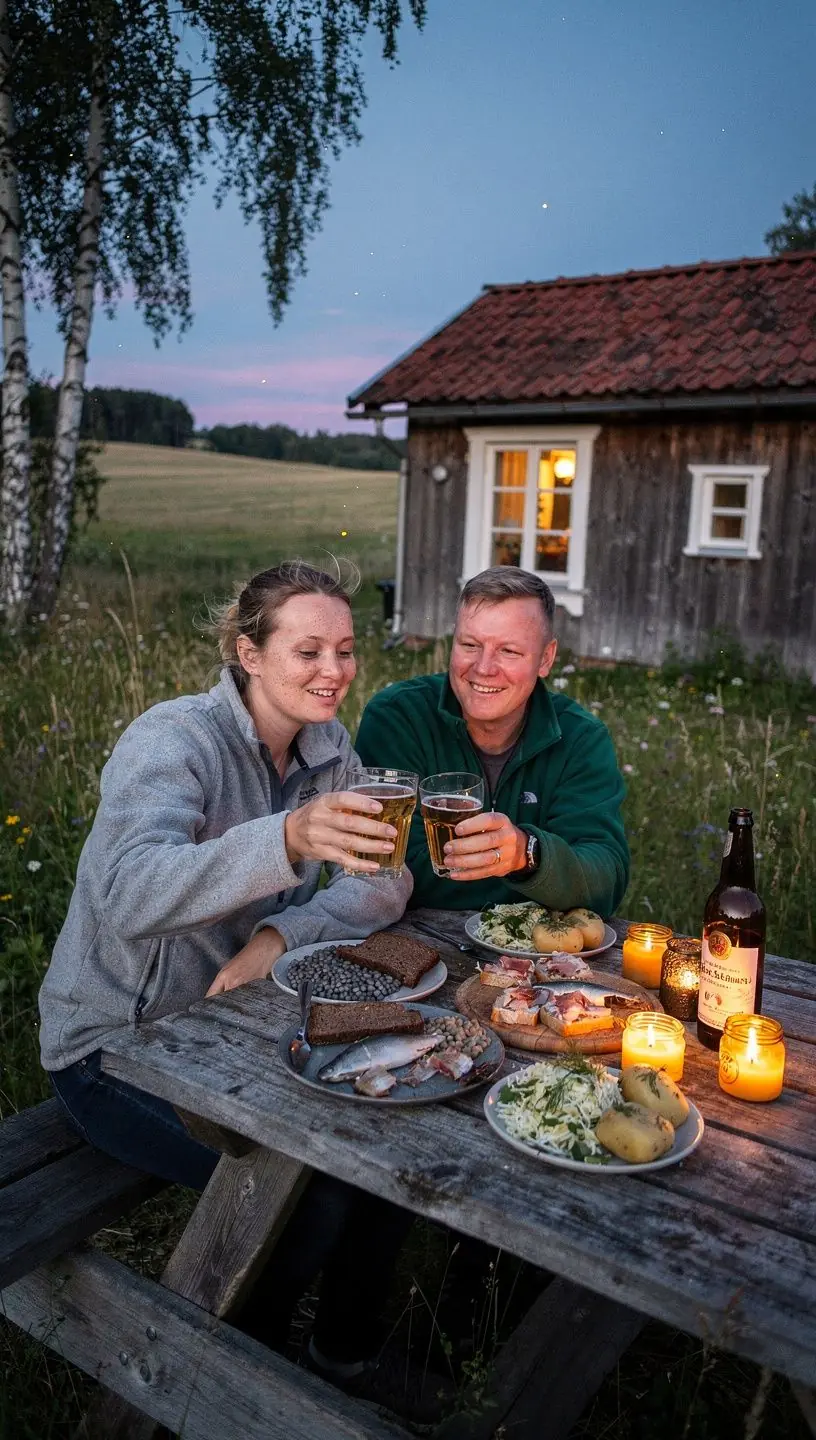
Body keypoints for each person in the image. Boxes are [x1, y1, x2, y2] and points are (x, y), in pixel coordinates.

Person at [40, 560, 413, 1379]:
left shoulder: (329, 748)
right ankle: (219, 1383)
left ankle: (344, 1360)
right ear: (249, 654)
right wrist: (286, 841)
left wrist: (281, 933)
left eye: (346, 651)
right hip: (118, 1045)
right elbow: (130, 893)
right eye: (308, 651)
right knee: (306, 1203)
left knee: (386, 1157)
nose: (334, 672)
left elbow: (386, 883)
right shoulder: (174, 740)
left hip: (232, 1032)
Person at [355, 566, 629, 913]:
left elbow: (605, 877)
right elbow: (388, 865)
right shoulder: (397, 717)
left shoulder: (580, 738)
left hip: (537, 957)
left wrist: (525, 853)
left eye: (509, 651)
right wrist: (546, 880)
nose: (484, 668)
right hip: (419, 942)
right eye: (470, 645)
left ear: (546, 659)